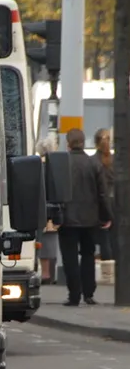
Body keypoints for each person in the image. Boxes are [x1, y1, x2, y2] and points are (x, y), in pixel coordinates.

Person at [58, 129, 112, 306]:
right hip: (90, 218)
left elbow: (54, 192)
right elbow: (102, 193)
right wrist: (106, 216)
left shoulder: (62, 165)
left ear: (68, 142)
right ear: (83, 142)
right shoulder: (94, 164)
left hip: (67, 219)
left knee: (70, 257)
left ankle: (74, 295)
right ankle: (89, 293)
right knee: (88, 254)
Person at [92, 128, 116, 283]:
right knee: (116, 239)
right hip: (117, 203)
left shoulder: (93, 161)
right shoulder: (116, 161)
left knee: (104, 239)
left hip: (101, 204)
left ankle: (108, 275)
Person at [35, 137, 59, 284]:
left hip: (41, 210)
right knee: (50, 244)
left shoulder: (38, 167)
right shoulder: (54, 167)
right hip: (51, 210)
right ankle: (48, 274)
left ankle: (45, 273)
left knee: (44, 243)